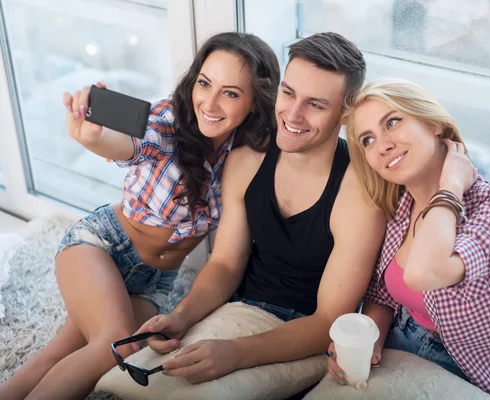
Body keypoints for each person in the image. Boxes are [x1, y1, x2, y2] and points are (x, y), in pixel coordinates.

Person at [0, 32, 280, 400]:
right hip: (102, 246)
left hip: (155, 281)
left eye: (230, 92)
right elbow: (130, 143)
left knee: (64, 351)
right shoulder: (168, 119)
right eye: (204, 83)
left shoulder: (245, 153)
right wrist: (91, 138)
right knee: (110, 348)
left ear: (254, 102)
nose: (209, 102)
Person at [134, 32, 386, 391]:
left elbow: (329, 318)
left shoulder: (360, 190)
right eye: (288, 94)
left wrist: (234, 354)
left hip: (306, 336)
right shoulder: (246, 161)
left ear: (347, 113)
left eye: (315, 104)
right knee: (129, 382)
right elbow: (224, 264)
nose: (293, 114)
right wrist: (180, 317)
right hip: (239, 308)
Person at [326, 78, 490, 400]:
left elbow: (426, 272)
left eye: (392, 122)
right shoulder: (400, 207)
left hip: (471, 373)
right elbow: (383, 294)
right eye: (367, 140)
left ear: (433, 123)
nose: (382, 145)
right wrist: (369, 341)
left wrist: (450, 188)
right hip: (400, 348)